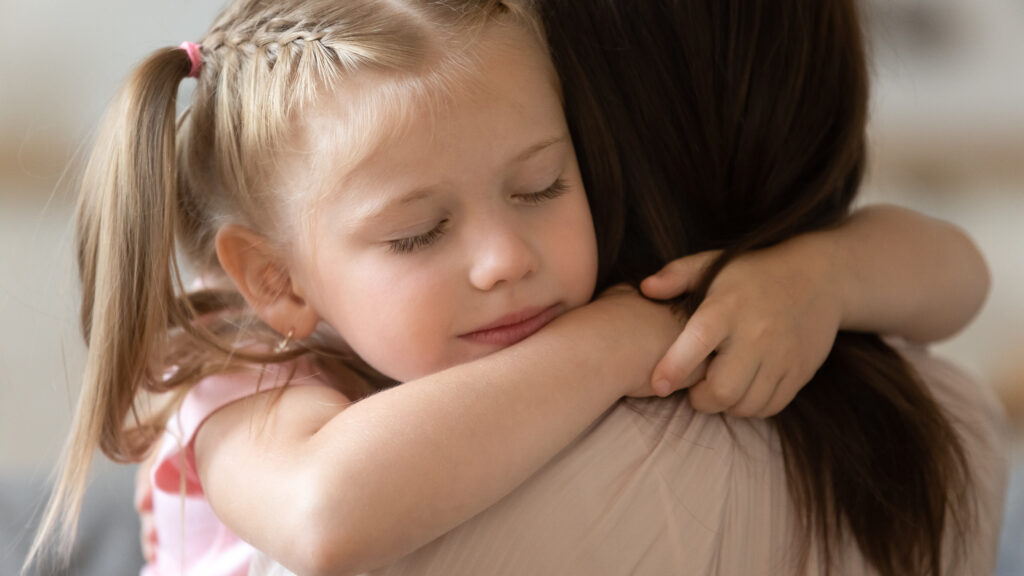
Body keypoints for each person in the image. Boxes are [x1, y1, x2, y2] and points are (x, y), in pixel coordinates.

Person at [27, 1, 999, 575]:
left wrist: (821, 273)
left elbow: (958, 279)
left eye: (541, 185)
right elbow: (329, 514)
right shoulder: (246, 382)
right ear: (278, 283)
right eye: (419, 233)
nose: (504, 258)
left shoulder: (530, 311)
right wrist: (620, 338)